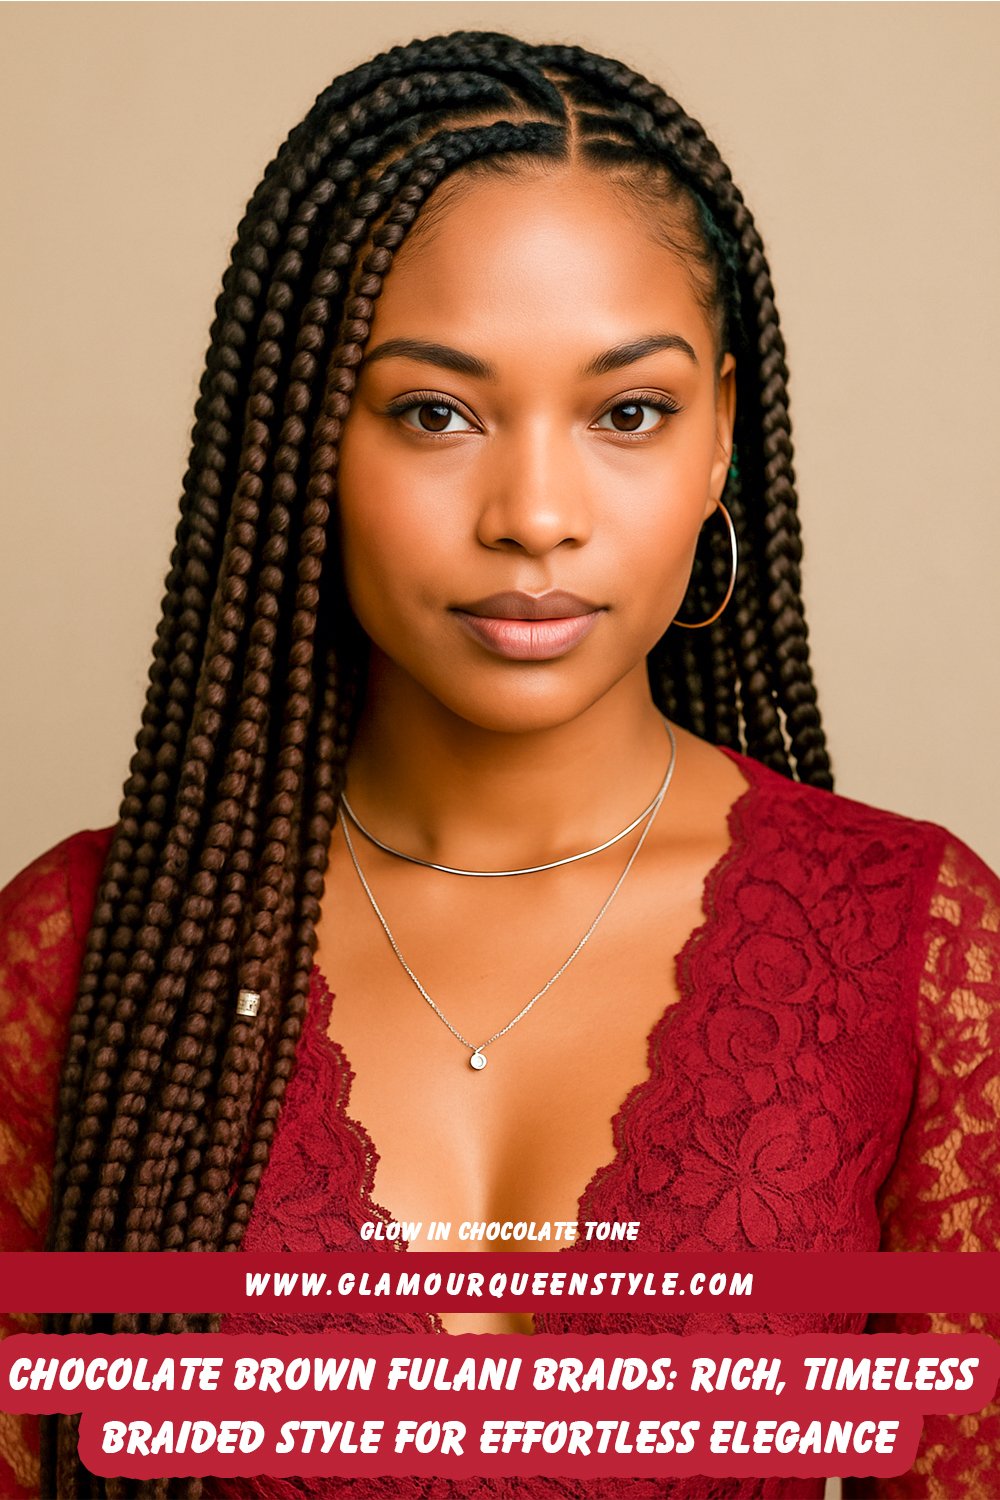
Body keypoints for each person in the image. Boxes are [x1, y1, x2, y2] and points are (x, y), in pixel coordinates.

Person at [1, 27, 998, 1500]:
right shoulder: (84, 958)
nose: (536, 512)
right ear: (301, 445)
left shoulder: (917, 946)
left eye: (630, 413)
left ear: (722, 433)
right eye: (434, 412)